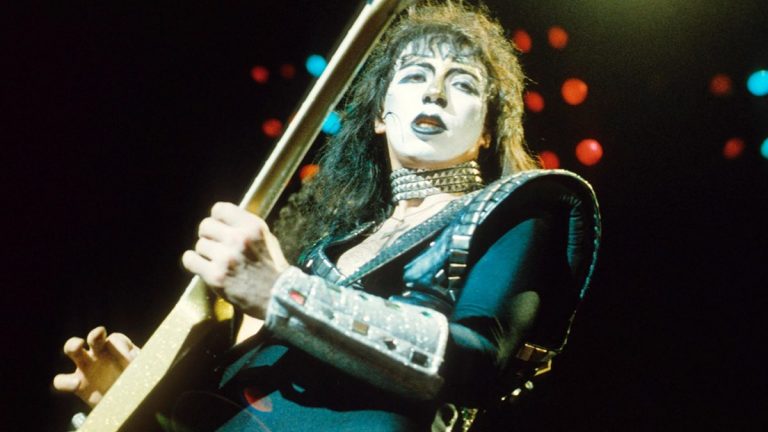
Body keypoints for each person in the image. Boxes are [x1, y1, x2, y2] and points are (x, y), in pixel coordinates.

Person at [54, 2, 600, 431]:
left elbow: (476, 365)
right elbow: (240, 409)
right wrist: (140, 394)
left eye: (462, 83)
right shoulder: (324, 250)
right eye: (414, 76)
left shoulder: (525, 207)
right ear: (381, 116)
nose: (435, 92)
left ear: (487, 131)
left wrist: (284, 294)